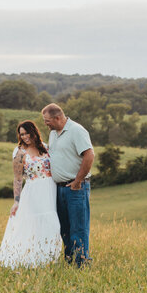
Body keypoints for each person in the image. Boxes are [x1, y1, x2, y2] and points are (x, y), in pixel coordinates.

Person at [0, 121, 61, 269]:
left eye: (27, 133)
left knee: (52, 222)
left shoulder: (45, 147)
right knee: (35, 223)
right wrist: (16, 201)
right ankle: (33, 256)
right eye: (22, 134)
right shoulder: (20, 152)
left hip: (50, 189)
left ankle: (49, 256)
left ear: (34, 132)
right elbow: (18, 178)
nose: (24, 136)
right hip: (34, 191)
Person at [42, 103, 94, 267]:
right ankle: (70, 260)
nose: (46, 124)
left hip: (76, 188)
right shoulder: (54, 134)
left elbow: (89, 155)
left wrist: (77, 181)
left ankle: (81, 263)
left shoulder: (76, 131)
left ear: (57, 118)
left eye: (47, 121)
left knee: (78, 228)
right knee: (64, 228)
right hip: (59, 189)